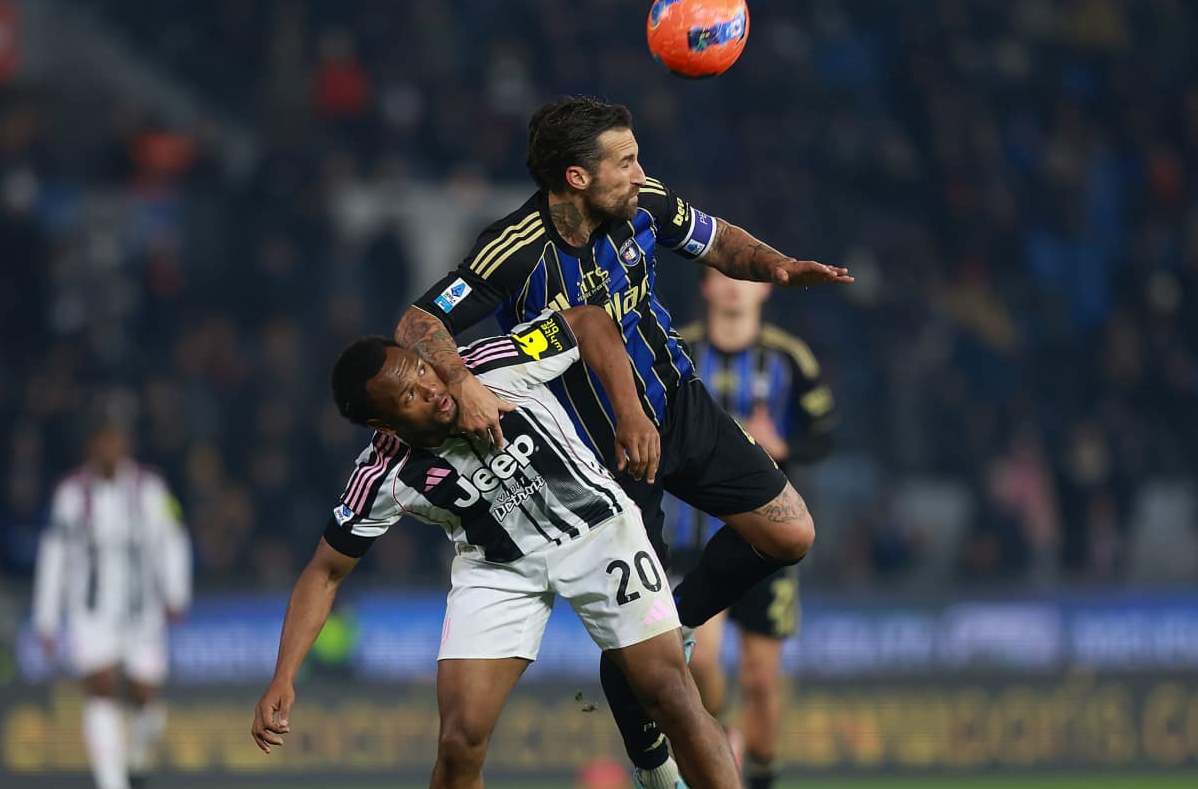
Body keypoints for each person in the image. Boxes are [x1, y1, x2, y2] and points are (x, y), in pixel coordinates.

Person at [394, 95, 852, 787]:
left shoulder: (645, 202)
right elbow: (418, 321)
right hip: (601, 457)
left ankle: (679, 620)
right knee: (645, 656)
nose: (640, 172)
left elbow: (717, 240)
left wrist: (776, 265)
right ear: (576, 177)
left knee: (791, 534)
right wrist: (462, 382)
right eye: (625, 161)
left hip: (680, 405)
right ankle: (649, 756)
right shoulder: (513, 250)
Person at [251, 306, 740, 789]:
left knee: (670, 694)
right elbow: (325, 573)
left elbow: (590, 322)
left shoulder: (490, 364)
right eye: (410, 395)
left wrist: (629, 411)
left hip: (596, 528)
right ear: (384, 425)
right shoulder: (383, 473)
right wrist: (283, 676)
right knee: (459, 742)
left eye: (421, 370)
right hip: (500, 569)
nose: (431, 389)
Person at [667, 268, 837, 789]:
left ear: (764, 287)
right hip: (691, 540)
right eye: (721, 276)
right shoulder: (677, 350)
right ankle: (720, 737)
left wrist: (782, 445)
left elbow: (823, 434)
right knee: (701, 660)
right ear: (705, 287)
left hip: (767, 542)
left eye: (742, 277)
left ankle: (760, 770)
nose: (733, 286)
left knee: (761, 681)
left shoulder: (789, 357)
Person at [32, 418, 192, 789]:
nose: (109, 450)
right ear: (91, 446)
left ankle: (136, 758)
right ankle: (111, 783)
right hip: (91, 613)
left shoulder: (151, 488)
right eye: (102, 442)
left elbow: (173, 539)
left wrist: (176, 593)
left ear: (126, 445)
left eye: (115, 441)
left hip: (142, 611)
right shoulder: (71, 494)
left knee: (146, 701)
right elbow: (54, 555)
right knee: (100, 690)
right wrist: (46, 618)